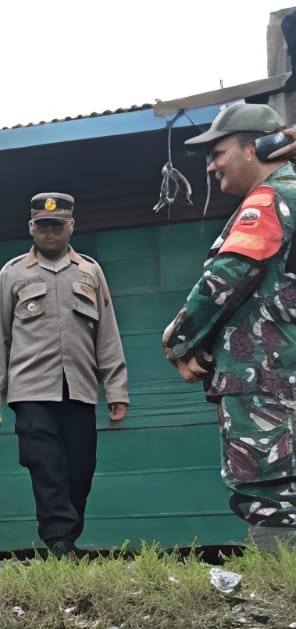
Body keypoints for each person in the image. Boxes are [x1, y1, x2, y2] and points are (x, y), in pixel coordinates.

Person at [165, 103, 296, 550]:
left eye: (217, 151)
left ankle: (283, 601)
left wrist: (178, 339)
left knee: (269, 494)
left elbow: (228, 275)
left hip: (268, 382)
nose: (211, 165)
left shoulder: (268, 200)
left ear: (257, 147)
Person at [0, 194, 129, 557]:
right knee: (46, 467)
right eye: (43, 225)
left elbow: (106, 334)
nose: (50, 231)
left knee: (81, 465)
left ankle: (68, 536)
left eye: (57, 225)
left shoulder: (89, 272)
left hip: (78, 389)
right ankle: (58, 541)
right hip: (31, 391)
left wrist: (116, 390)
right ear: (31, 227)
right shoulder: (13, 273)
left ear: (71, 226)